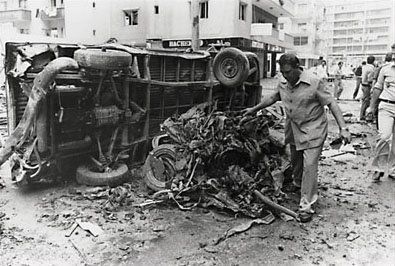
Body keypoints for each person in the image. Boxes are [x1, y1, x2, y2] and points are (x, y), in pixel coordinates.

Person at [243, 53, 351, 222]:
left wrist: (343, 128)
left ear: (297, 68)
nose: (285, 76)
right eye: (283, 72)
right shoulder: (283, 82)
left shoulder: (314, 82)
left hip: (313, 128)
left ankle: (306, 205)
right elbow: (273, 97)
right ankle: (299, 184)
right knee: (296, 160)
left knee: (310, 166)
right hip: (293, 128)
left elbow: (332, 103)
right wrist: (254, 109)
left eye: (288, 72)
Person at [366, 47, 395, 181]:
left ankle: (393, 169)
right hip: (386, 106)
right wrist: (371, 107)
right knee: (384, 136)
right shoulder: (386, 69)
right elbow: (378, 87)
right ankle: (377, 168)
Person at [360, 55, 375, 121]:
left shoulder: (364, 67)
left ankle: (364, 115)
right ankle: (362, 115)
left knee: (365, 101)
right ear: (373, 61)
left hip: (363, 85)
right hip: (367, 86)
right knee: (366, 101)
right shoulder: (371, 69)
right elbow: (370, 80)